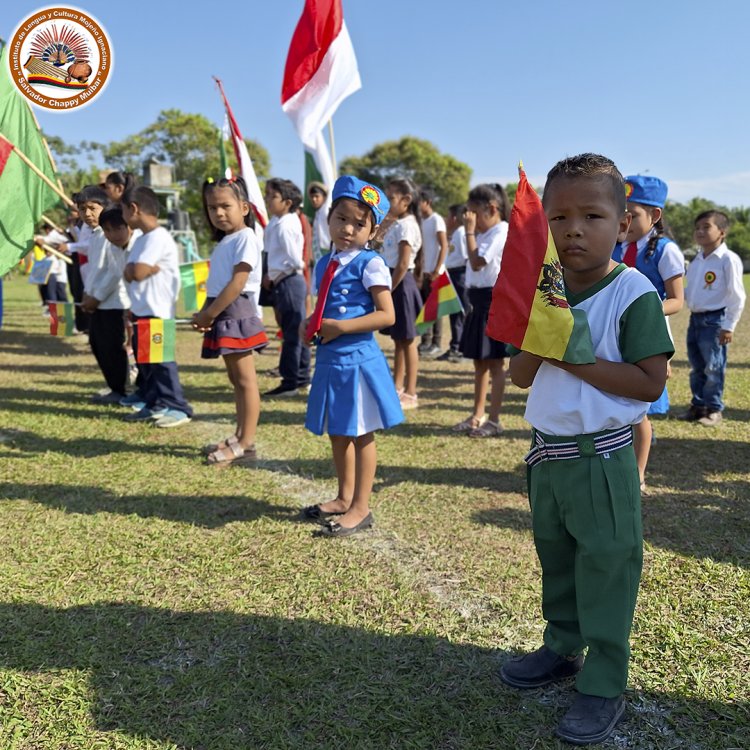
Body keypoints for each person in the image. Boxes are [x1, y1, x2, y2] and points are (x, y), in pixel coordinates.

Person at [502, 154, 673, 746]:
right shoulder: (542, 289)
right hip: (547, 458)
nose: (573, 229)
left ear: (623, 224)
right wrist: (540, 332)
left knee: (606, 567)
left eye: (592, 215)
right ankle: (561, 646)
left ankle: (603, 679)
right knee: (559, 562)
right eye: (558, 217)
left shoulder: (633, 292)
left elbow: (650, 383)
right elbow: (523, 375)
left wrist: (579, 357)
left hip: (601, 459)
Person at [302, 176, 403, 537]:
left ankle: (361, 507)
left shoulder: (370, 263)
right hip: (330, 360)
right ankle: (344, 497)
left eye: (359, 224)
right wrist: (310, 323)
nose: (348, 228)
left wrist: (341, 327)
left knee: (361, 433)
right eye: (341, 218)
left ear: (373, 230)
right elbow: (324, 305)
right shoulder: (324, 262)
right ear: (328, 218)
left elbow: (387, 315)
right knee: (338, 431)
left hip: (357, 361)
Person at [612, 175, 684, 490]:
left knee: (638, 410)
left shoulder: (665, 251)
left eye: (634, 213)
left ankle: (638, 473)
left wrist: (643, 313)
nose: (625, 220)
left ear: (654, 216)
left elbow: (678, 301)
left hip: (645, 336)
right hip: (614, 335)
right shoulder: (615, 246)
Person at [193, 177, 268, 465]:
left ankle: (246, 443)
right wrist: (205, 311)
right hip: (222, 311)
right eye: (212, 208)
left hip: (237, 312)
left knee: (247, 381)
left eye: (226, 206)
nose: (219, 213)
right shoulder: (226, 241)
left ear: (245, 207)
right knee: (236, 380)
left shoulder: (247, 238)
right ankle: (239, 436)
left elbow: (238, 283)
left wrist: (209, 313)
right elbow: (216, 284)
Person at [122, 186, 193, 428]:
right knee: (148, 363)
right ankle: (155, 402)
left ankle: (177, 406)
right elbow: (130, 271)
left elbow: (137, 271)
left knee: (162, 362)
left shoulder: (159, 237)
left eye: (122, 209)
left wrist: (137, 271)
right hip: (141, 309)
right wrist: (136, 271)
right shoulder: (141, 239)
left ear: (133, 208)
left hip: (158, 311)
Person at [453, 184, 510, 437]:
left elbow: (477, 263)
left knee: (496, 364)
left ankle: (495, 419)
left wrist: (468, 232)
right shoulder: (483, 233)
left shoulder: (501, 230)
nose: (470, 218)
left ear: (492, 209)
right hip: (476, 300)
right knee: (479, 362)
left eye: (474, 213)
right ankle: (477, 414)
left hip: (493, 301)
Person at [682, 210, 746, 426]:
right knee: (697, 366)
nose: (700, 231)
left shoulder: (728, 259)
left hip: (715, 321)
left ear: (722, 232)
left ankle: (714, 409)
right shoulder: (697, 260)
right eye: (697, 227)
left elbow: (737, 296)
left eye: (706, 227)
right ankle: (698, 406)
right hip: (695, 319)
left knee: (713, 367)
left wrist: (729, 326)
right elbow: (690, 290)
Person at [82, 206, 137, 405]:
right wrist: (88, 294)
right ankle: (117, 387)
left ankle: (122, 388)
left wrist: (96, 296)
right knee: (99, 344)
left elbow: (114, 274)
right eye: (82, 209)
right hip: (96, 299)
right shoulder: (100, 237)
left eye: (91, 208)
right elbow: (96, 270)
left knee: (112, 347)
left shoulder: (131, 241)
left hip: (112, 301)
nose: (87, 213)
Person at [262, 178, 311, 396]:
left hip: (290, 280)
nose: (268, 200)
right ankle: (300, 377)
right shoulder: (277, 221)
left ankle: (291, 380)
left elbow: (294, 257)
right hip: (283, 281)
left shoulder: (286, 225)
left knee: (292, 333)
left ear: (288, 202)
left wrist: (280, 273)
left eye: (273, 196)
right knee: (294, 330)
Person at [379, 177, 423, 410]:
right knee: (398, 340)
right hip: (394, 282)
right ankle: (397, 386)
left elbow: (403, 263)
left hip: (401, 284)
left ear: (406, 200)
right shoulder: (397, 222)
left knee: (408, 342)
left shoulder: (407, 225)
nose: (387, 202)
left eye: (391, 198)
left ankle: (412, 391)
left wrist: (388, 289)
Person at [417, 188, 449, 358]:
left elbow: (443, 245)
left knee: (436, 310)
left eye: (419, 202)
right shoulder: (421, 221)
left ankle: (436, 343)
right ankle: (425, 341)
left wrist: (437, 269)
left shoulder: (436, 220)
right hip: (424, 272)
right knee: (425, 309)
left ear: (427, 202)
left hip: (435, 272)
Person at [437, 203, 469, 363]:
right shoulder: (457, 232)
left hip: (460, 275)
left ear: (455, 218)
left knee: (459, 313)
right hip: (454, 274)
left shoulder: (462, 232)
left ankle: (458, 348)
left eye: (448, 216)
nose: (447, 220)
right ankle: (455, 346)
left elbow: (465, 256)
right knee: (454, 312)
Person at [307, 180, 331, 265]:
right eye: (312, 197)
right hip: (319, 253)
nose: (314, 199)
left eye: (317, 196)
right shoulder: (317, 214)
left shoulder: (326, 211)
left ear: (324, 197)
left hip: (328, 251)